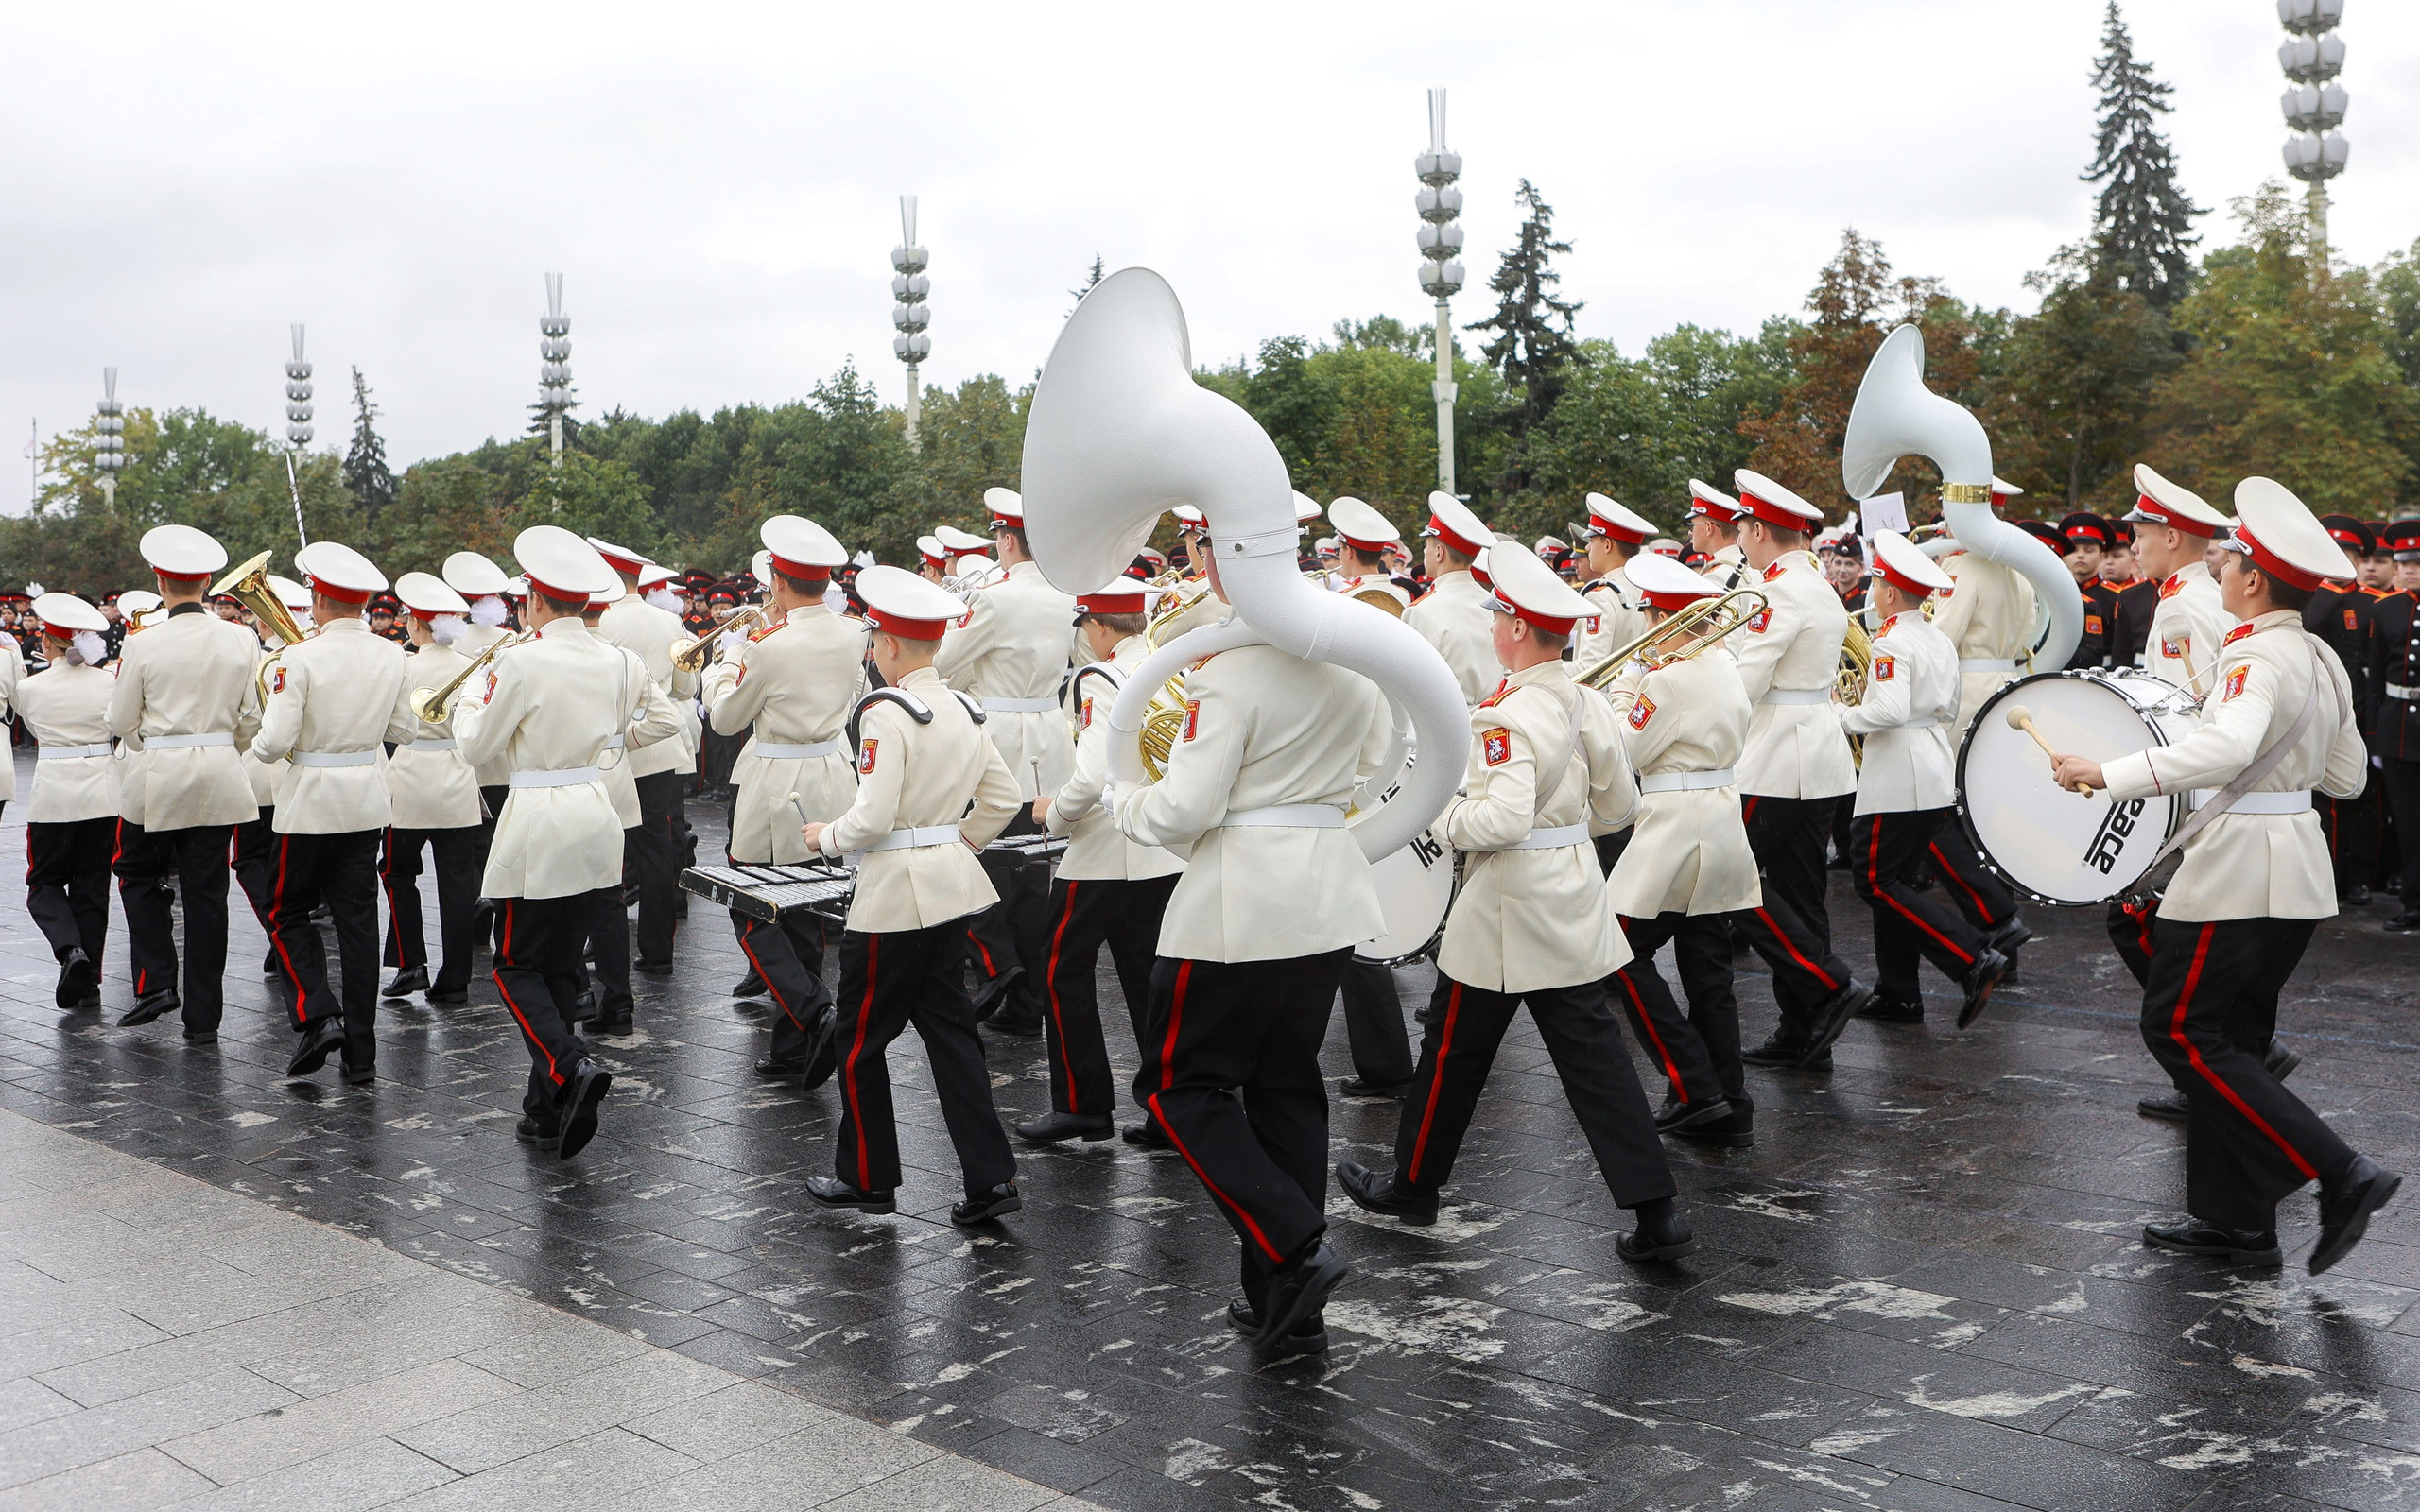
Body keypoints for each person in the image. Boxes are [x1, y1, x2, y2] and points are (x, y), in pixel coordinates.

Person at [2050, 477, 2396, 1274]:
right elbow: (2344, 778)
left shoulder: (2250, 656)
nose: (2218, 566)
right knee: (2232, 1038)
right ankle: (2236, 1221)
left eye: (2228, 557)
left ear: (2253, 579)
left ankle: (2340, 1171)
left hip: (2237, 869)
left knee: (2180, 1029)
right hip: (2298, 868)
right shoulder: (2317, 655)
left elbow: (2227, 749)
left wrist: (2109, 773)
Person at [1337, 542, 1694, 1263]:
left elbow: (1499, 822)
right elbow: (1620, 805)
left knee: (1451, 1052)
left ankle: (1414, 1186)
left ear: (1520, 631)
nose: (1493, 625)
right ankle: (1658, 1214)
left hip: (1507, 909)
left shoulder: (1504, 716)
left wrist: (1438, 819)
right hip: (1568, 895)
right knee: (1594, 1062)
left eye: (1499, 616)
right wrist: (1565, 836)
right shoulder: (1587, 699)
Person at [796, 566, 1023, 1224]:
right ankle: (992, 1179)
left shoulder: (886, 712)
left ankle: (868, 1176)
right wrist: (956, 843)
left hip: (894, 898)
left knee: (861, 1039)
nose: (872, 655)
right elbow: (1004, 797)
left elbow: (869, 820)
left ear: (890, 646)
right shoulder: (966, 707)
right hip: (950, 891)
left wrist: (822, 837)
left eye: (875, 644)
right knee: (952, 1035)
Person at [447, 528, 636, 1159]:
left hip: (540, 817)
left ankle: (570, 1064)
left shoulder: (520, 661)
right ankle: (546, 1108)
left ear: (533, 600)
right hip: (594, 812)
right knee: (559, 966)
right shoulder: (613, 659)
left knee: (514, 966)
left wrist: (469, 698)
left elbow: (477, 747)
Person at [1599, 556, 1763, 1148]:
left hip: (1676, 827)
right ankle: (1730, 1100)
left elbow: (1625, 750)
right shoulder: (1723, 663)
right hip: (1718, 822)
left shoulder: (1665, 677)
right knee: (1707, 969)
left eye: (1650, 613)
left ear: (1665, 615)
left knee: (1616, 951)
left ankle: (1693, 1084)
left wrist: (1621, 691)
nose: (1645, 624)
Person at [1015, 579, 1184, 1144]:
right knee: (1147, 982)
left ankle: (1082, 1104)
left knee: (1061, 972)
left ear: (1098, 626)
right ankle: (1166, 1108)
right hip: (1158, 850)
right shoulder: (1164, 665)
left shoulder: (1100, 676)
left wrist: (1053, 817)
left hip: (1101, 852)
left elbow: (1090, 776)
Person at [700, 515, 866, 1074]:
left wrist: (727, 661)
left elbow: (724, 720)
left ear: (779, 583)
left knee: (748, 903)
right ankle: (794, 1042)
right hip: (831, 776)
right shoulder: (854, 632)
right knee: (804, 909)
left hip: (778, 783)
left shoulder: (768, 646)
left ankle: (814, 1011)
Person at [1725, 471, 1874, 1068]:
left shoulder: (1780, 592)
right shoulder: (1813, 585)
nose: (1739, 541)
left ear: (1759, 529)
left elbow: (1745, 682)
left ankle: (1828, 983)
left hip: (1775, 758)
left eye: (1742, 530)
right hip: (1816, 754)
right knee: (1800, 893)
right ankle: (1807, 1028)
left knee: (1729, 877)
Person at [254, 541, 416, 1084]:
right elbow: (405, 731)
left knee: (283, 909)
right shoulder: (393, 654)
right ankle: (362, 1057)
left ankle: (317, 1012)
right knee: (357, 926)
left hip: (309, 804)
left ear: (319, 599)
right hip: (366, 799)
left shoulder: (299, 657)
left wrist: (255, 747)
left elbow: (274, 743)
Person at [1838, 533, 2010, 1028]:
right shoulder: (1936, 637)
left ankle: (1972, 955)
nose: (1871, 591)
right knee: (1899, 881)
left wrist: (1840, 718)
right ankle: (1900, 992)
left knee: (1874, 881)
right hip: (1931, 765)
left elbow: (1886, 710)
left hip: (1897, 772)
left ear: (1890, 592)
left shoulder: (1892, 639)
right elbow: (1949, 707)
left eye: (1875, 583)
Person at [109, 525, 262, 1041]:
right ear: (209, 581)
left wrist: (151, 745)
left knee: (134, 872)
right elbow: (251, 718)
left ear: (159, 581)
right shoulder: (242, 637)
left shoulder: (143, 642)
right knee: (207, 897)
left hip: (160, 773)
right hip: (220, 772)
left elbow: (121, 718)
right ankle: (204, 1018)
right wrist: (219, 747)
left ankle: (156, 981)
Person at [935, 488, 1078, 1037]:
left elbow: (943, 663)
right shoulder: (1067, 595)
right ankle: (1026, 1005)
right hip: (1048, 739)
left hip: (998, 741)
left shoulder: (995, 597)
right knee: (1032, 881)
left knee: (977, 859)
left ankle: (1000, 966)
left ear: (1008, 539)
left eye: (998, 538)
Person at [591, 537, 700, 974]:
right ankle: (658, 952)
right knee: (656, 851)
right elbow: (684, 690)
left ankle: (602, 945)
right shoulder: (669, 622)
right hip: (658, 747)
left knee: (605, 850)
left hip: (611, 748)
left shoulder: (597, 622)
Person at [381, 572, 486, 1006]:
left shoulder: (401, 664)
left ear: (417, 624)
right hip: (457, 776)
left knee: (396, 872)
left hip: (407, 777)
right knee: (458, 884)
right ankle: (456, 976)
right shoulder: (468, 664)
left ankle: (412, 962)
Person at [15, 593, 121, 1009]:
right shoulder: (108, 681)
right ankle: (89, 981)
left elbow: (32, 725)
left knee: (43, 882)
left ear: (47, 643)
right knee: (93, 886)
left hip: (55, 794)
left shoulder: (29, 686)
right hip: (102, 793)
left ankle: (69, 950)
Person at [2309, 517, 2382, 906]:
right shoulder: (2310, 598)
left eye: (2349, 554)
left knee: (2360, 798)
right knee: (2320, 800)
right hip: (2319, 708)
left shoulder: (2371, 602)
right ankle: (2329, 876)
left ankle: (2358, 875)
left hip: (2361, 708)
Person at [2126, 465, 2234, 696]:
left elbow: (2181, 708)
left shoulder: (2179, 604)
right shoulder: (2212, 593)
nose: (2134, 547)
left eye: (2140, 535)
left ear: (2172, 538)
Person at [2370, 519, 2420, 933]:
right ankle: (2413, 902)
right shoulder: (2385, 609)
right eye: (2403, 563)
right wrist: (2373, 737)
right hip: (2398, 729)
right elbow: (2374, 681)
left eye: (2416, 563)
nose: (2408, 570)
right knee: (2407, 822)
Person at [1405, 491, 1498, 706]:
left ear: (1439, 553)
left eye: (1427, 545)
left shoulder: (1422, 611)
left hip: (1445, 729)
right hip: (1491, 722)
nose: (1424, 551)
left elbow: (1410, 686)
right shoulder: (1492, 604)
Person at [1570, 492, 1656, 671]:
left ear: (1608, 545)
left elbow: (1589, 668)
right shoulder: (1645, 589)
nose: (1587, 547)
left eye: (1592, 540)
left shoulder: (1601, 597)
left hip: (1605, 697)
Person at [1326, 497, 1412, 610]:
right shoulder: (1403, 595)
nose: (1338, 555)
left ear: (1350, 552)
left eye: (1339, 549)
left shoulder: (1344, 599)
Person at [2060, 513, 2121, 669]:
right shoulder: (2055, 594)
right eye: (2074, 550)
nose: (2080, 555)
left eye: (2089, 551)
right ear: (2065, 556)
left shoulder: (2117, 596)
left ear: (2102, 556)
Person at [1686, 479, 1752, 591]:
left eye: (1692, 526)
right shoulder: (1753, 568)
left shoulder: (1715, 577)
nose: (1690, 532)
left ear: (1708, 528)